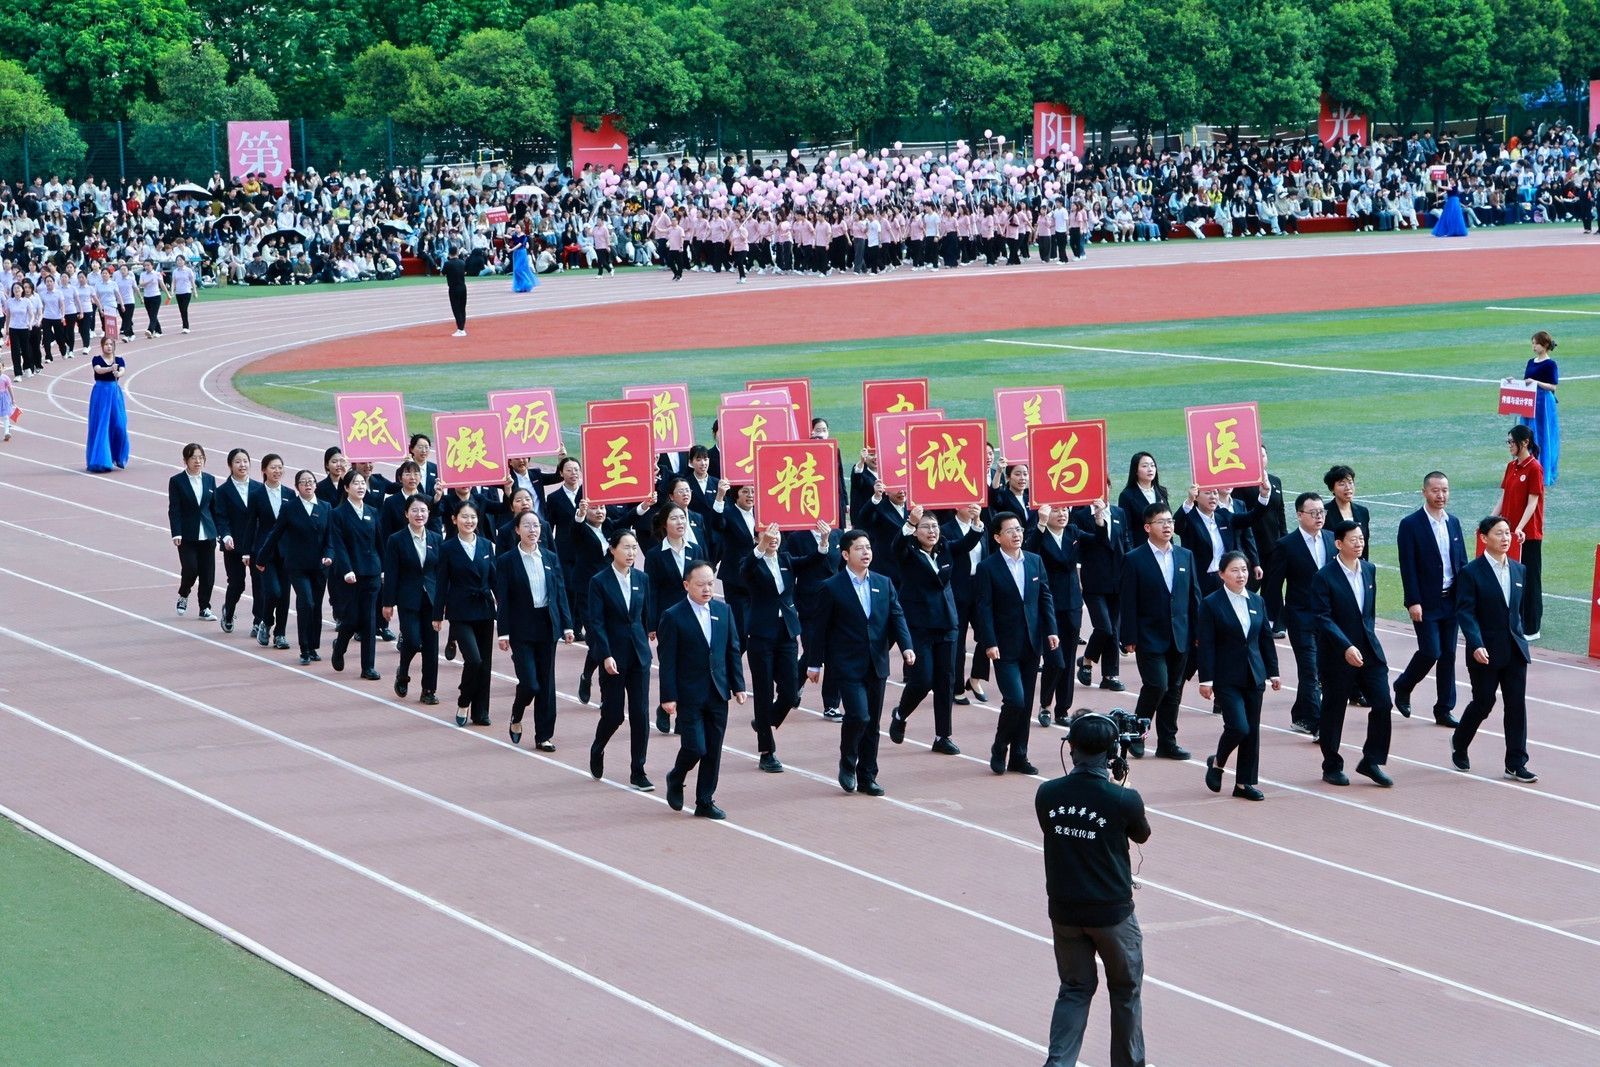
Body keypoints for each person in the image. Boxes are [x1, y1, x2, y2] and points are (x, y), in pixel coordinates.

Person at [1036, 712, 1151, 1067]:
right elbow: (1141, 834)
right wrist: (1124, 785)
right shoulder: (1123, 799)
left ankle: (1058, 1063)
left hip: (1065, 911)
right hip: (1112, 913)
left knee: (1074, 988)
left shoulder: (1047, 794)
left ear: (1070, 748)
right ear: (1112, 751)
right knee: (1125, 990)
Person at [805, 530, 915, 797]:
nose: (866, 552)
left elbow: (896, 616)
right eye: (859, 548)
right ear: (845, 554)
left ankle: (868, 776)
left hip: (877, 662)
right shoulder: (832, 587)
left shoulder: (883, 583)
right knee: (858, 715)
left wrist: (907, 646)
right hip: (846, 664)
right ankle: (847, 762)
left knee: (872, 723)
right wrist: (814, 664)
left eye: (868, 547)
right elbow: (819, 629)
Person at [660, 561, 748, 818]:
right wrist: (668, 696)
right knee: (695, 747)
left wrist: (738, 685)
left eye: (710, 583)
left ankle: (705, 801)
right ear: (687, 585)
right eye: (700, 584)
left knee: (713, 748)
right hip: (689, 694)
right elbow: (667, 660)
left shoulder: (724, 610)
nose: (707, 589)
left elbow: (732, 650)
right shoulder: (673, 616)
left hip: (718, 691)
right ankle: (676, 776)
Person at [1452, 516, 1536, 783]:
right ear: (1484, 538)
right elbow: (1466, 613)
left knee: (1516, 705)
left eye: (1507, 533)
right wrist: (1476, 643)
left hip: (1515, 651)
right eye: (1499, 533)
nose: (1505, 538)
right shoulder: (1471, 572)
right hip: (1485, 652)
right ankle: (1460, 742)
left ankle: (1516, 763)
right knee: (1484, 702)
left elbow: (1518, 612)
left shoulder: (1519, 570)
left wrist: (1521, 638)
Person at [1311, 521, 1395, 788]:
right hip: (1337, 655)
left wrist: (1366, 641)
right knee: (1334, 710)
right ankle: (1331, 765)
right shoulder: (1324, 577)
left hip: (1369, 651)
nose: (1359, 544)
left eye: (1361, 539)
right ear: (1339, 544)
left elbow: (1368, 614)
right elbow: (1322, 618)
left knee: (1383, 703)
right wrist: (1345, 646)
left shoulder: (1369, 570)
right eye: (1353, 540)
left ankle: (1371, 760)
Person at [975, 512, 1060, 775]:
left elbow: (1045, 597)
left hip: (1032, 643)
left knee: (1026, 704)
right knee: (1015, 700)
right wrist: (989, 642)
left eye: (1019, 529)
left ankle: (1019, 755)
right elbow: (984, 608)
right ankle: (1000, 746)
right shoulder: (988, 567)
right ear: (997, 537)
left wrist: (1051, 630)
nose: (1016, 534)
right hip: (1003, 646)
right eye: (1010, 530)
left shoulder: (1034, 561)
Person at [1119, 503, 1200, 760]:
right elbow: (1128, 601)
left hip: (1180, 634)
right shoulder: (1134, 559)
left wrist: (1199, 632)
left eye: (1170, 521)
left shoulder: (1185, 555)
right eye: (1161, 522)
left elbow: (1193, 597)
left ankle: (1167, 741)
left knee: (1174, 689)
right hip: (1148, 635)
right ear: (1147, 527)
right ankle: (1136, 732)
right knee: (1157, 685)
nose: (1167, 526)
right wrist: (1128, 636)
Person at [1197, 551, 1279, 800]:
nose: (1241, 575)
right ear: (1222, 574)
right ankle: (1218, 762)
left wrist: (1273, 672)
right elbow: (1206, 644)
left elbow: (1265, 639)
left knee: (1252, 730)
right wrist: (1206, 680)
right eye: (1234, 570)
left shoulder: (1257, 601)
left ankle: (1244, 783)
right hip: (1226, 677)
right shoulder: (1211, 604)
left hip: (1254, 674)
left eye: (1244, 569)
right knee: (1239, 726)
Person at [1394, 472, 1467, 727]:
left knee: (1448, 655)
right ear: (1424, 492)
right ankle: (1404, 685)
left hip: (1451, 601)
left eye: (1444, 490)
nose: (1441, 495)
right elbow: (1408, 565)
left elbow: (1461, 561)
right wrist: (1413, 600)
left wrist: (1466, 597)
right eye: (1435, 490)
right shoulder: (1410, 524)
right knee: (1430, 651)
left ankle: (1444, 708)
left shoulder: (1453, 522)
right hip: (1425, 602)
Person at [495, 511, 574, 748]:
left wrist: (567, 625)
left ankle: (544, 736)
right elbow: (503, 599)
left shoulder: (549, 557)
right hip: (521, 628)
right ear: (517, 530)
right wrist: (503, 632)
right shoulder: (507, 561)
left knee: (546, 685)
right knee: (530, 683)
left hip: (547, 625)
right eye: (527, 526)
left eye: (536, 526)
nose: (533, 530)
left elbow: (560, 592)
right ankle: (517, 713)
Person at [889, 507, 961, 754]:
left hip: (947, 622)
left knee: (946, 681)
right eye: (926, 527)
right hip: (919, 624)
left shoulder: (945, 549)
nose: (932, 531)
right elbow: (896, 546)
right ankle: (900, 714)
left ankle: (943, 736)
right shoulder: (908, 553)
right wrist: (910, 522)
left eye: (935, 526)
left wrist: (975, 522)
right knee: (922, 680)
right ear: (916, 531)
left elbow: (967, 543)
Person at [1030, 501, 1109, 725]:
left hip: (1072, 603)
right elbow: (1029, 551)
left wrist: (1099, 518)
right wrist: (1041, 524)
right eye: (1056, 510)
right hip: (1048, 604)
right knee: (1055, 660)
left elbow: (1099, 542)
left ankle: (1063, 709)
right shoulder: (1039, 533)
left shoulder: (1073, 532)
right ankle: (1046, 704)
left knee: (1068, 657)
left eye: (1064, 509)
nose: (1061, 514)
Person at [587, 530, 654, 791]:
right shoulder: (599, 581)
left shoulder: (642, 579)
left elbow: (644, 616)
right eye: (626, 547)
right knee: (614, 714)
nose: (631, 553)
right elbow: (596, 622)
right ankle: (598, 746)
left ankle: (638, 770)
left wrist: (646, 644)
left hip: (639, 655)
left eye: (634, 548)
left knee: (640, 713)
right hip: (613, 657)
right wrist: (605, 655)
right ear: (612, 549)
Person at [1267, 492, 1335, 738]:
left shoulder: (1332, 539)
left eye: (1321, 512)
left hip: (1329, 618)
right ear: (1299, 515)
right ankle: (1318, 725)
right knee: (1309, 670)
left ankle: (1301, 715)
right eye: (1313, 513)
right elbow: (1273, 586)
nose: (1319, 517)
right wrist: (1270, 620)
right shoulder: (1286, 545)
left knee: (1323, 670)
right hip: (1300, 617)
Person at [256, 469, 333, 664]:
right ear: (297, 487)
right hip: (297, 566)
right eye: (303, 482)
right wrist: (261, 558)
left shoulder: (325, 507)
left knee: (316, 606)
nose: (308, 484)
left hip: (320, 567)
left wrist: (329, 555)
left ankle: (313, 647)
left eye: (311, 481)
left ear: (316, 484)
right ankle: (304, 649)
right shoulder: (290, 508)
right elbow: (275, 533)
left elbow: (330, 538)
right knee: (306, 602)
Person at [742, 523, 801, 772]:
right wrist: (760, 547)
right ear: (757, 537)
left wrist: (823, 542)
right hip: (761, 634)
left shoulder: (786, 559)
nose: (772, 538)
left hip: (786, 632)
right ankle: (767, 752)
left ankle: (765, 723)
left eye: (776, 534)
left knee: (790, 693)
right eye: (766, 534)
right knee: (764, 692)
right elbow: (745, 571)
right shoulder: (752, 562)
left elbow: (814, 562)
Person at [434, 501, 497, 726]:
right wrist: (437, 615)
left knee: (485, 664)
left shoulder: (487, 545)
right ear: (454, 520)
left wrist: (506, 609)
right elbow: (441, 583)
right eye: (464, 516)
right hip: (460, 611)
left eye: (473, 517)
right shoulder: (447, 548)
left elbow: (494, 579)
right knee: (474, 660)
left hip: (484, 609)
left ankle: (481, 712)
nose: (469, 521)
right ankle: (463, 701)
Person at [383, 496, 443, 705]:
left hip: (431, 599)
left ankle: (429, 690)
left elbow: (441, 572)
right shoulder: (396, 540)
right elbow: (391, 573)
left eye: (423, 510)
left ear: (429, 513)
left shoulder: (436, 539)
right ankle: (403, 672)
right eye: (415, 510)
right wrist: (388, 603)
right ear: (406, 513)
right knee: (413, 640)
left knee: (431, 646)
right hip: (408, 598)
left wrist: (443, 600)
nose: (419, 515)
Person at [328, 469, 385, 681]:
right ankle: (340, 646)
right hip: (350, 575)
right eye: (355, 483)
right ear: (346, 487)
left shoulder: (372, 511)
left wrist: (384, 568)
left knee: (369, 620)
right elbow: (339, 545)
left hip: (371, 572)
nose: (361, 487)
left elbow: (379, 541)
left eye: (363, 483)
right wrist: (346, 569)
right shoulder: (338, 514)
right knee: (352, 619)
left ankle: (368, 667)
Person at [1075, 491, 1128, 692]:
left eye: (1105, 485)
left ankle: (1110, 675)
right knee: (1104, 627)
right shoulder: (1081, 516)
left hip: (1118, 579)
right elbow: (1081, 547)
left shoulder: (1119, 512)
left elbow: (1125, 540)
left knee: (1114, 629)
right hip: (1093, 580)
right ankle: (1087, 660)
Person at [1499, 424, 1545, 639]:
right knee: (1511, 578)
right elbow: (1504, 497)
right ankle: (1515, 620)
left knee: (1530, 580)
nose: (1509, 445)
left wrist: (1519, 527)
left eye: (1512, 442)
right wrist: (1489, 521)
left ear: (1524, 442)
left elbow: (1533, 502)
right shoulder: (1511, 466)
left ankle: (1532, 627)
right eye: (1508, 441)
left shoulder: (1534, 468)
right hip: (1509, 534)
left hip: (1529, 535)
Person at [167, 443, 219, 620]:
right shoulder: (177, 481)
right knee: (190, 569)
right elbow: (174, 509)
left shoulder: (210, 479)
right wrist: (176, 532)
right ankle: (184, 593)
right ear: (185, 460)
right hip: (187, 534)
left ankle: (204, 608)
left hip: (208, 534)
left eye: (201, 458)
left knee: (208, 574)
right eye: (193, 458)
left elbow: (214, 507)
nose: (198, 461)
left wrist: (219, 530)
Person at [247, 454, 293, 650]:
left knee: (284, 595)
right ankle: (266, 621)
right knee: (273, 591)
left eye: (280, 467)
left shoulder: (290, 494)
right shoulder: (256, 494)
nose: (277, 471)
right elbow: (250, 525)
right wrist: (247, 552)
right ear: (264, 470)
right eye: (273, 467)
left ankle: (280, 634)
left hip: (286, 552)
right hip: (264, 552)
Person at [211, 447, 258, 633]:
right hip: (234, 545)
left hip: (256, 545)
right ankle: (228, 612)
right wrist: (226, 536)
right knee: (237, 584)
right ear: (230, 465)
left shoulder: (259, 488)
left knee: (260, 584)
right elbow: (220, 517)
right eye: (238, 461)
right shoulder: (222, 491)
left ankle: (258, 621)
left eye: (245, 461)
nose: (242, 465)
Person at [1518, 331, 1559, 484]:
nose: (1534, 346)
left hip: (1543, 402)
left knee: (1542, 434)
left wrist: (1536, 382)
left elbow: (1553, 386)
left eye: (1536, 343)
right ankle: (1527, 470)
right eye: (1533, 343)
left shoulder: (1550, 364)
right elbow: (1525, 382)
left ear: (1545, 345)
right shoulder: (1530, 362)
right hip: (1529, 400)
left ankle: (1542, 472)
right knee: (1527, 434)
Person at [84, 337, 128, 472]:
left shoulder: (119, 360)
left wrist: (118, 372)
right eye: (106, 344)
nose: (109, 346)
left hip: (114, 394)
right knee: (102, 426)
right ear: (102, 346)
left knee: (119, 426)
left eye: (111, 344)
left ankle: (118, 456)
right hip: (101, 394)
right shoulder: (96, 359)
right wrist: (110, 368)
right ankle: (102, 461)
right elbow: (98, 370)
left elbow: (122, 371)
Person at [443, 244, 468, 337]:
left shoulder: (447, 263)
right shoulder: (462, 262)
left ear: (449, 253)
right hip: (463, 287)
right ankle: (462, 328)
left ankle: (460, 329)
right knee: (462, 308)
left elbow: (443, 273)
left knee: (456, 308)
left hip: (453, 288)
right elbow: (465, 271)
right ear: (457, 253)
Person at [171, 258, 197, 333]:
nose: (179, 262)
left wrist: (195, 292)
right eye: (178, 260)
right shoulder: (175, 271)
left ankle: (186, 327)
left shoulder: (188, 270)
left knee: (184, 309)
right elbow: (173, 282)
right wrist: (172, 291)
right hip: (178, 293)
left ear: (184, 261)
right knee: (181, 310)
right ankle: (185, 326)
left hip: (187, 292)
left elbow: (192, 281)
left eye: (181, 260)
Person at [510, 227, 537, 293]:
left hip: (522, 253)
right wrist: (504, 235)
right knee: (516, 270)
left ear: (521, 228)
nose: (516, 229)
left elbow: (520, 244)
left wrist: (511, 249)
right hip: (516, 253)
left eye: (518, 227)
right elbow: (511, 237)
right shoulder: (515, 235)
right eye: (516, 228)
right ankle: (521, 286)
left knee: (518, 269)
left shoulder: (524, 236)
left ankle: (528, 282)